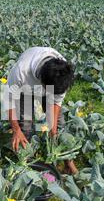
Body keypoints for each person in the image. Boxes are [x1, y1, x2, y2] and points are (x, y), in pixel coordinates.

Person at [5, 47, 78, 175]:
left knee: (59, 127)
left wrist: (53, 129)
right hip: (24, 89)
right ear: (42, 83)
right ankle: (25, 165)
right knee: (25, 128)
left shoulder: (62, 74)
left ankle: (68, 163)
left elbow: (56, 102)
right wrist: (16, 129)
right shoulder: (21, 72)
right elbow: (9, 100)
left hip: (49, 86)